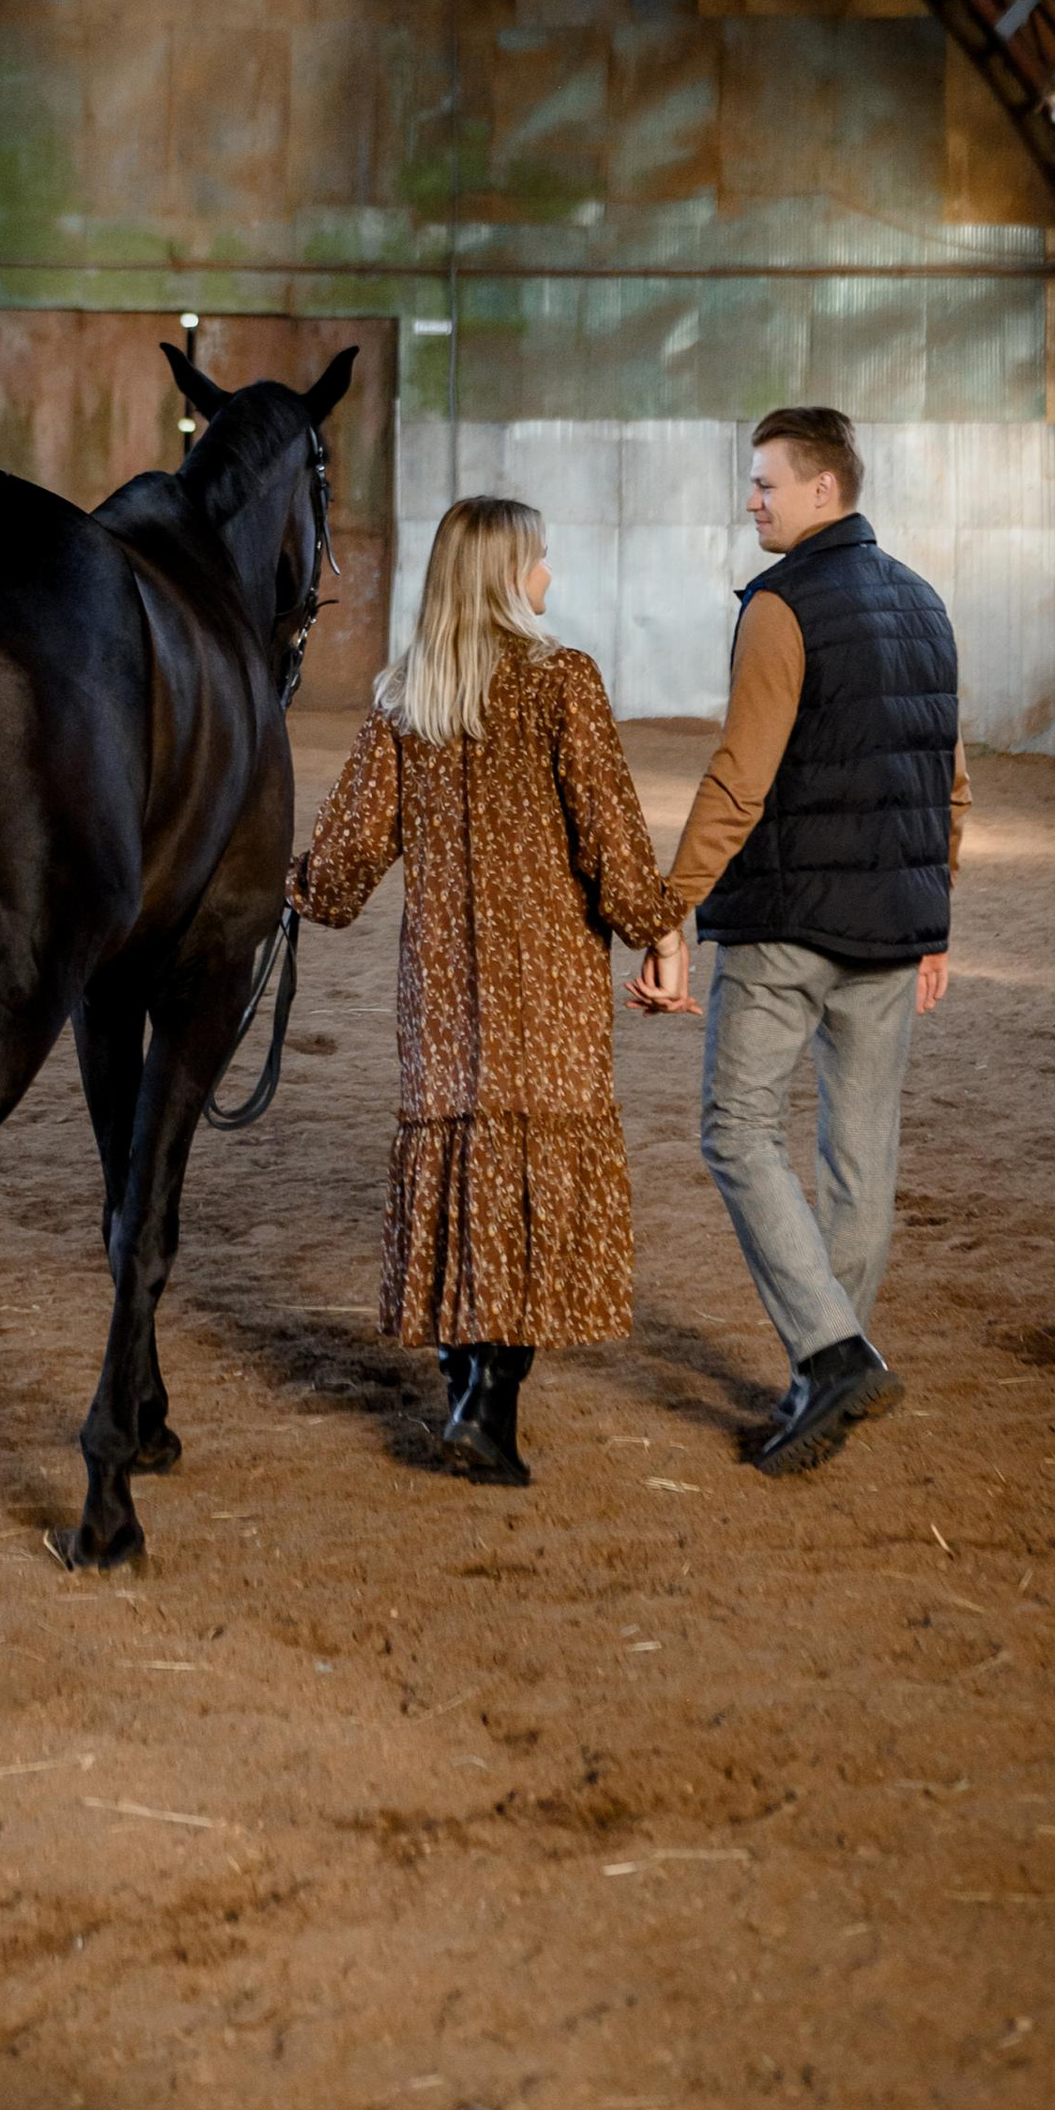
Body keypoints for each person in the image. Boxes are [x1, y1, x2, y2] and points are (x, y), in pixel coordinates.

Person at [289, 496, 677, 1488]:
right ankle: (486, 1409)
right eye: (538, 559)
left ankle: (467, 1389)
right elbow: (611, 837)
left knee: (461, 1176)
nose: (548, 575)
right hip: (546, 992)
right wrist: (660, 927)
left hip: (443, 996)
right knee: (525, 1182)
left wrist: (288, 886)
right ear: (506, 574)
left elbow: (340, 869)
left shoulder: (403, 697)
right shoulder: (563, 680)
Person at [632, 406, 968, 1479]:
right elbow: (948, 780)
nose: (751, 499)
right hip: (892, 926)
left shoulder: (781, 605)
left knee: (736, 1128)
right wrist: (933, 917)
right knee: (861, 1154)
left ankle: (830, 1356)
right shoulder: (923, 603)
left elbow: (741, 775)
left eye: (765, 481)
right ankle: (830, 1367)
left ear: (824, 488)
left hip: (785, 924)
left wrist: (671, 904)